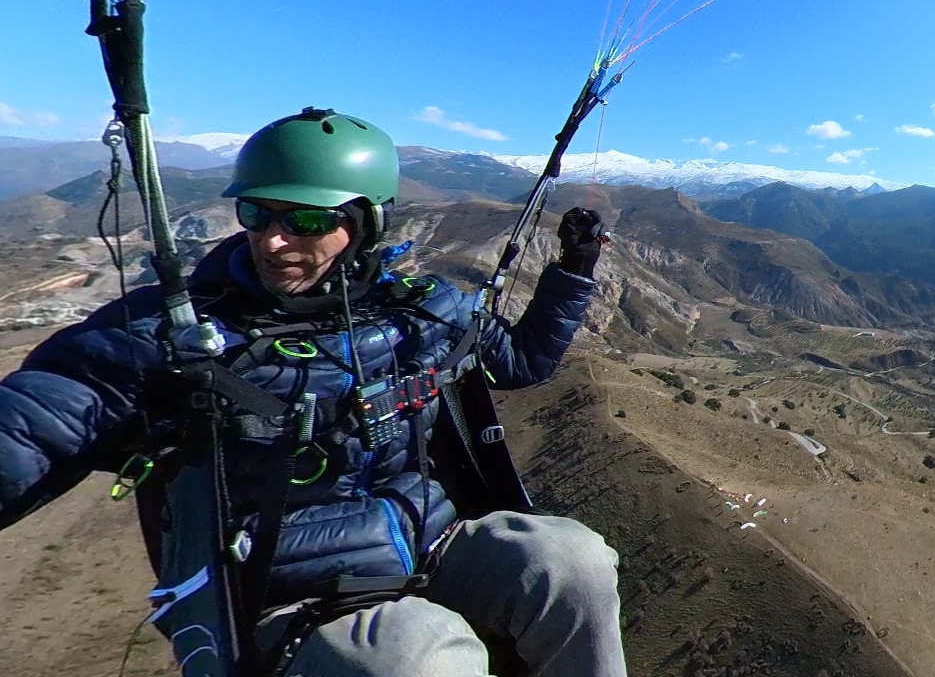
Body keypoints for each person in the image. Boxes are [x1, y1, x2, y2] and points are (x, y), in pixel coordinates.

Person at [0, 108, 627, 677]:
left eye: (303, 221)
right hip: (290, 593)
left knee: (570, 559)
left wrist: (573, 271)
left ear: (365, 225)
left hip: (427, 542)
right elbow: (39, 419)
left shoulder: (420, 312)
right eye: (257, 215)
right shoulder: (171, 335)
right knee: (418, 653)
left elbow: (520, 361)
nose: (273, 241)